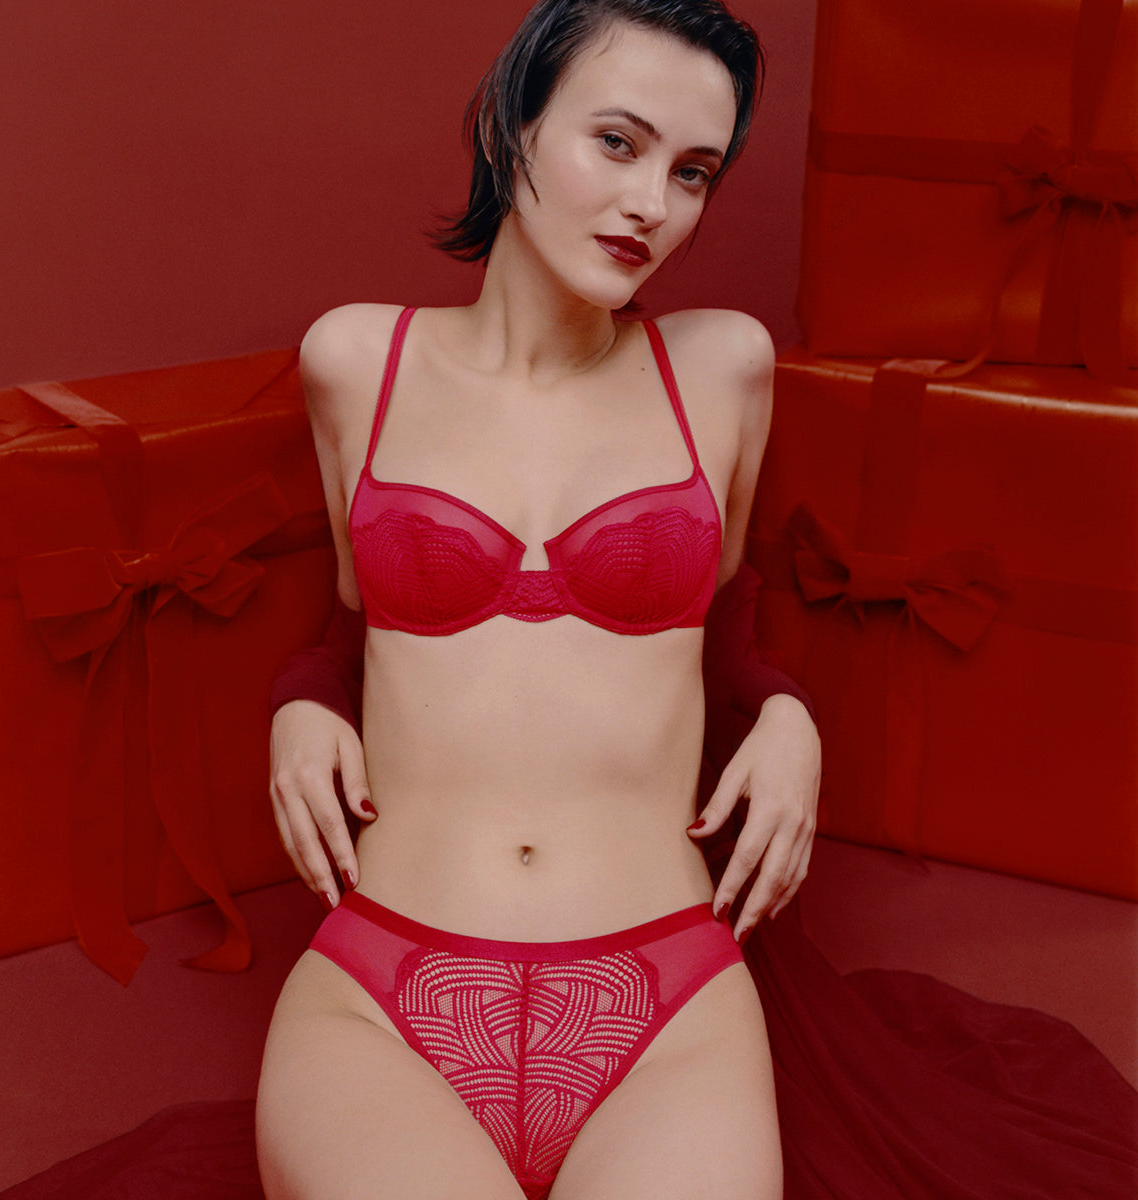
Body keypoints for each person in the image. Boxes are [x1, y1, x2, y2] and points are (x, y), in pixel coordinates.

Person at [255, 2, 822, 1197]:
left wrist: (786, 715)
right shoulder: (355, 360)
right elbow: (354, 623)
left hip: (666, 1002)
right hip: (383, 992)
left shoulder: (723, 368)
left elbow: (718, 627)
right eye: (617, 143)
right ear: (513, 126)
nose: (652, 203)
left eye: (693, 172)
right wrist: (302, 700)